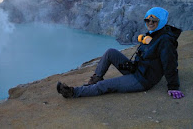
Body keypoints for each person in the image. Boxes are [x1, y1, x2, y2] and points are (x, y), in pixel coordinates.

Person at [57, 7, 185, 99]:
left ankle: (73, 92)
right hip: (137, 70)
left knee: (105, 85)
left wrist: (173, 86)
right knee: (110, 52)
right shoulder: (154, 34)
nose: (150, 23)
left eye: (154, 21)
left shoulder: (165, 40)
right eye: (147, 20)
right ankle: (95, 80)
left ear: (161, 21)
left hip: (143, 80)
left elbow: (170, 64)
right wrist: (132, 66)